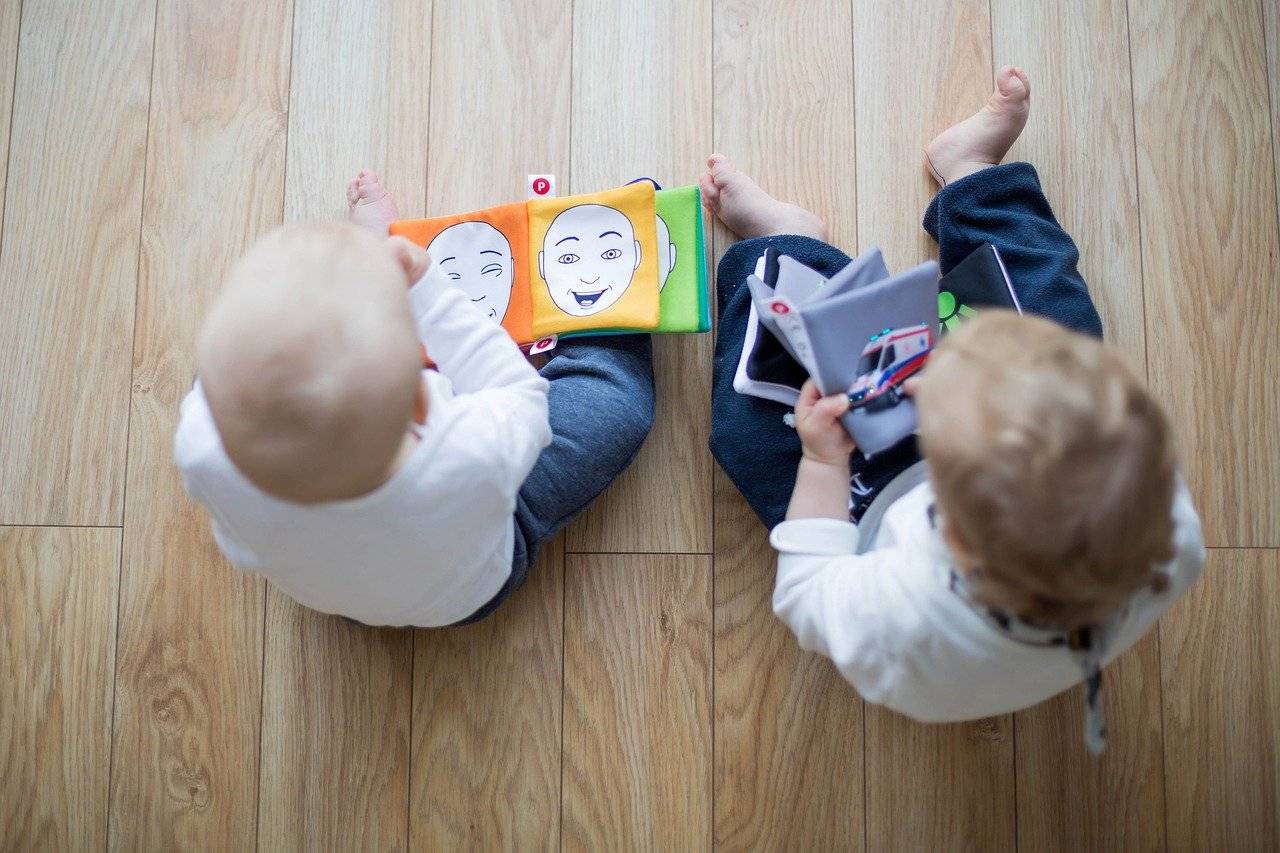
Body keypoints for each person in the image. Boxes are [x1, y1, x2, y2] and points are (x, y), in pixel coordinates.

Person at [703, 67, 1204, 751]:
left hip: (869, 501)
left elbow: (807, 590)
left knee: (748, 428)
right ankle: (969, 175)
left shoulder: (895, 615)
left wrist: (823, 464)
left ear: (950, 537)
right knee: (1057, 316)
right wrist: (1026, 370)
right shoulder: (1170, 533)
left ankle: (784, 244)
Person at [173, 172, 654, 627]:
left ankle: (368, 287)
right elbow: (514, 389)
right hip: (468, 587)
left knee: (294, 359)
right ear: (425, 396)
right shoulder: (469, 453)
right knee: (612, 406)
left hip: (334, 589)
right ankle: (605, 322)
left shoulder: (200, 447)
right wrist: (429, 293)